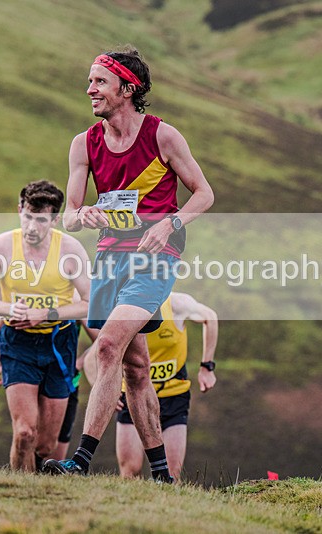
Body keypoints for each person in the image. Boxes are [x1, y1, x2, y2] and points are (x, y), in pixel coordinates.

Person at [42, 47, 213, 482]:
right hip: (109, 258)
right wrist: (84, 215)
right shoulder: (84, 144)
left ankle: (79, 462)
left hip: (156, 260)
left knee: (106, 347)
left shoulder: (163, 136)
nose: (90, 89)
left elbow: (204, 194)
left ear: (127, 88)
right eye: (89, 81)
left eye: (99, 81)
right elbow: (71, 214)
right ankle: (162, 475)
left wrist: (170, 223)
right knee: (136, 368)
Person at [0, 180, 90, 472]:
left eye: (41, 220)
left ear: (53, 220)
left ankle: (34, 483)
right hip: (18, 341)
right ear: (19, 210)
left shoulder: (70, 250)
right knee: (25, 432)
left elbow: (91, 303)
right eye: (27, 216)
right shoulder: (2, 246)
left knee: (46, 444)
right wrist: (9, 308)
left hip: (58, 344)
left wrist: (48, 314)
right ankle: (18, 489)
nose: (32, 226)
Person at [83, 292, 218, 480]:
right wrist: (105, 394)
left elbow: (210, 317)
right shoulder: (127, 310)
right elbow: (91, 360)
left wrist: (207, 367)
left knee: (172, 473)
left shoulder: (176, 303)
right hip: (132, 398)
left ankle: (167, 507)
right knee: (130, 469)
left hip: (173, 396)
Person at [0, 317, 96, 461]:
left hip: (65, 381)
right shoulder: (31, 295)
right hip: (27, 370)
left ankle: (42, 480)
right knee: (25, 433)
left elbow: (102, 339)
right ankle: (23, 480)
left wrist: (80, 363)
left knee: (48, 450)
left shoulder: (75, 301)